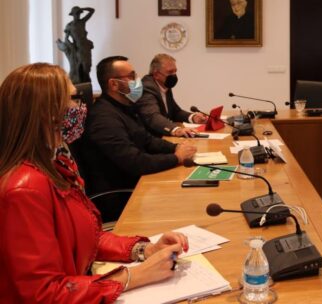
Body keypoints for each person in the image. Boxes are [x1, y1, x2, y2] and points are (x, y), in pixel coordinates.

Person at [0, 63, 190, 302]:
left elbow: (86, 236)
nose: (80, 107)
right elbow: (44, 293)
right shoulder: (25, 188)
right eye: (73, 98)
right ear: (46, 112)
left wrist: (145, 250)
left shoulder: (56, 164)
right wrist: (134, 276)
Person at [83, 56, 197, 196]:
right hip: (123, 194)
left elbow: (147, 139)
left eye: (135, 75)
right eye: (131, 76)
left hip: (140, 183)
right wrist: (176, 157)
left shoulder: (124, 107)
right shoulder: (103, 119)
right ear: (113, 84)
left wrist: (175, 147)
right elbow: (136, 163)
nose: (137, 80)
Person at [137, 54, 208, 137]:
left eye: (175, 71)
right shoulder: (147, 87)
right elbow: (153, 116)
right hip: (150, 138)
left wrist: (193, 117)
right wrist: (176, 130)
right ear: (156, 74)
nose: (174, 75)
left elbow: (175, 112)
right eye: (170, 72)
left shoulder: (164, 85)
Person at [56, 6, 95, 84]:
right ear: (73, 15)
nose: (78, 15)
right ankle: (79, 80)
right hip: (78, 47)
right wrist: (71, 46)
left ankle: (86, 82)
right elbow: (66, 39)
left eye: (79, 13)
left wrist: (82, 9)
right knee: (82, 65)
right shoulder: (69, 26)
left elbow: (92, 10)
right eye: (76, 14)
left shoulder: (82, 22)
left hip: (86, 45)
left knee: (88, 65)